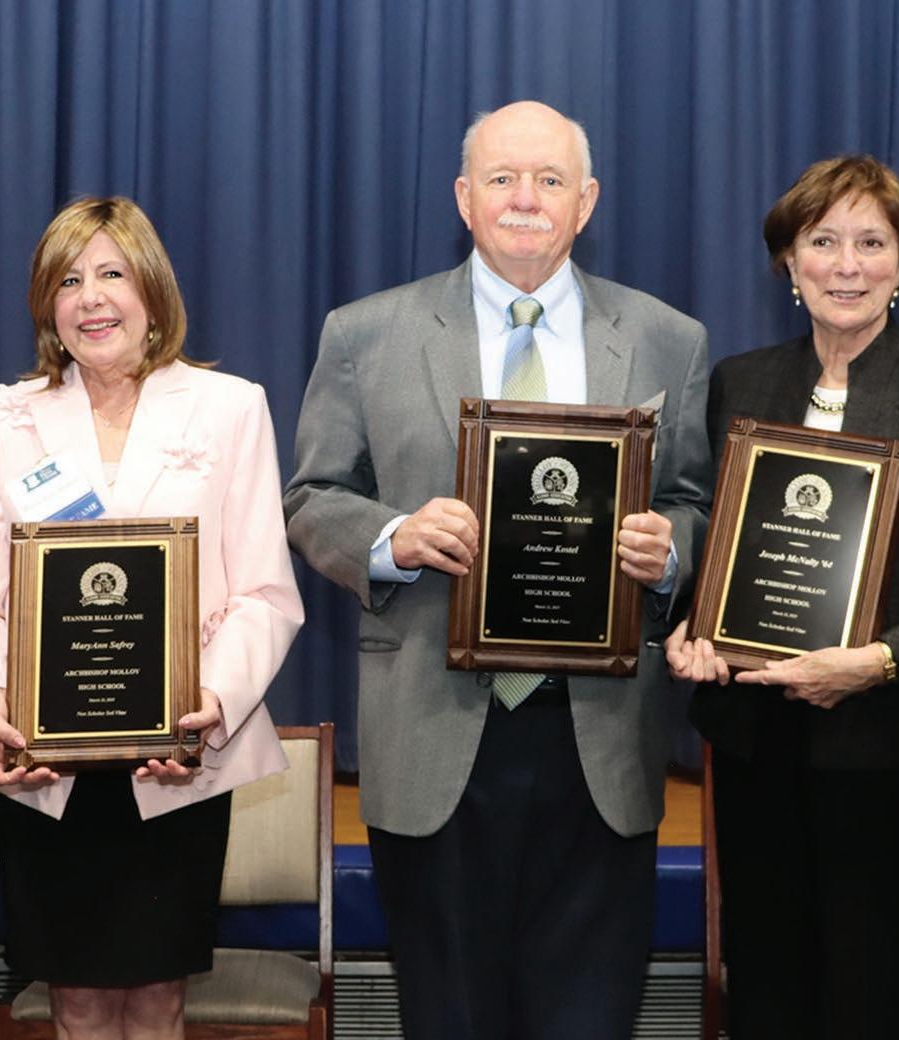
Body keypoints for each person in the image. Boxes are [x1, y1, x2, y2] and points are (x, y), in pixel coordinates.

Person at [282, 99, 712, 1039]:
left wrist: (669, 549)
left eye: (550, 180)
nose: (525, 199)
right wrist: (393, 537)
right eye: (503, 179)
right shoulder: (366, 333)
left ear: (586, 202)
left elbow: (695, 501)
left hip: (599, 740)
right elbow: (311, 498)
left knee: (589, 1021)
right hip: (432, 732)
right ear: (462, 197)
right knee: (449, 1018)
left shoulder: (664, 338)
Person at [666, 155, 899, 1037]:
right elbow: (712, 542)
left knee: (874, 999)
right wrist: (689, 625)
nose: (846, 265)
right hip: (757, 747)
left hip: (888, 753)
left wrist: (881, 661)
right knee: (766, 995)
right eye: (822, 242)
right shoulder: (741, 382)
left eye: (871, 243)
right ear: (788, 260)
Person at [0, 196, 304, 1040]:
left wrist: (208, 705)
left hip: (174, 754)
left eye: (111, 273)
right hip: (45, 759)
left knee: (156, 1001)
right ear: (47, 304)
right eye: (68, 280)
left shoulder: (229, 407)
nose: (91, 298)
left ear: (151, 289)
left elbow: (264, 593)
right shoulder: (4, 418)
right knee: (72, 1001)